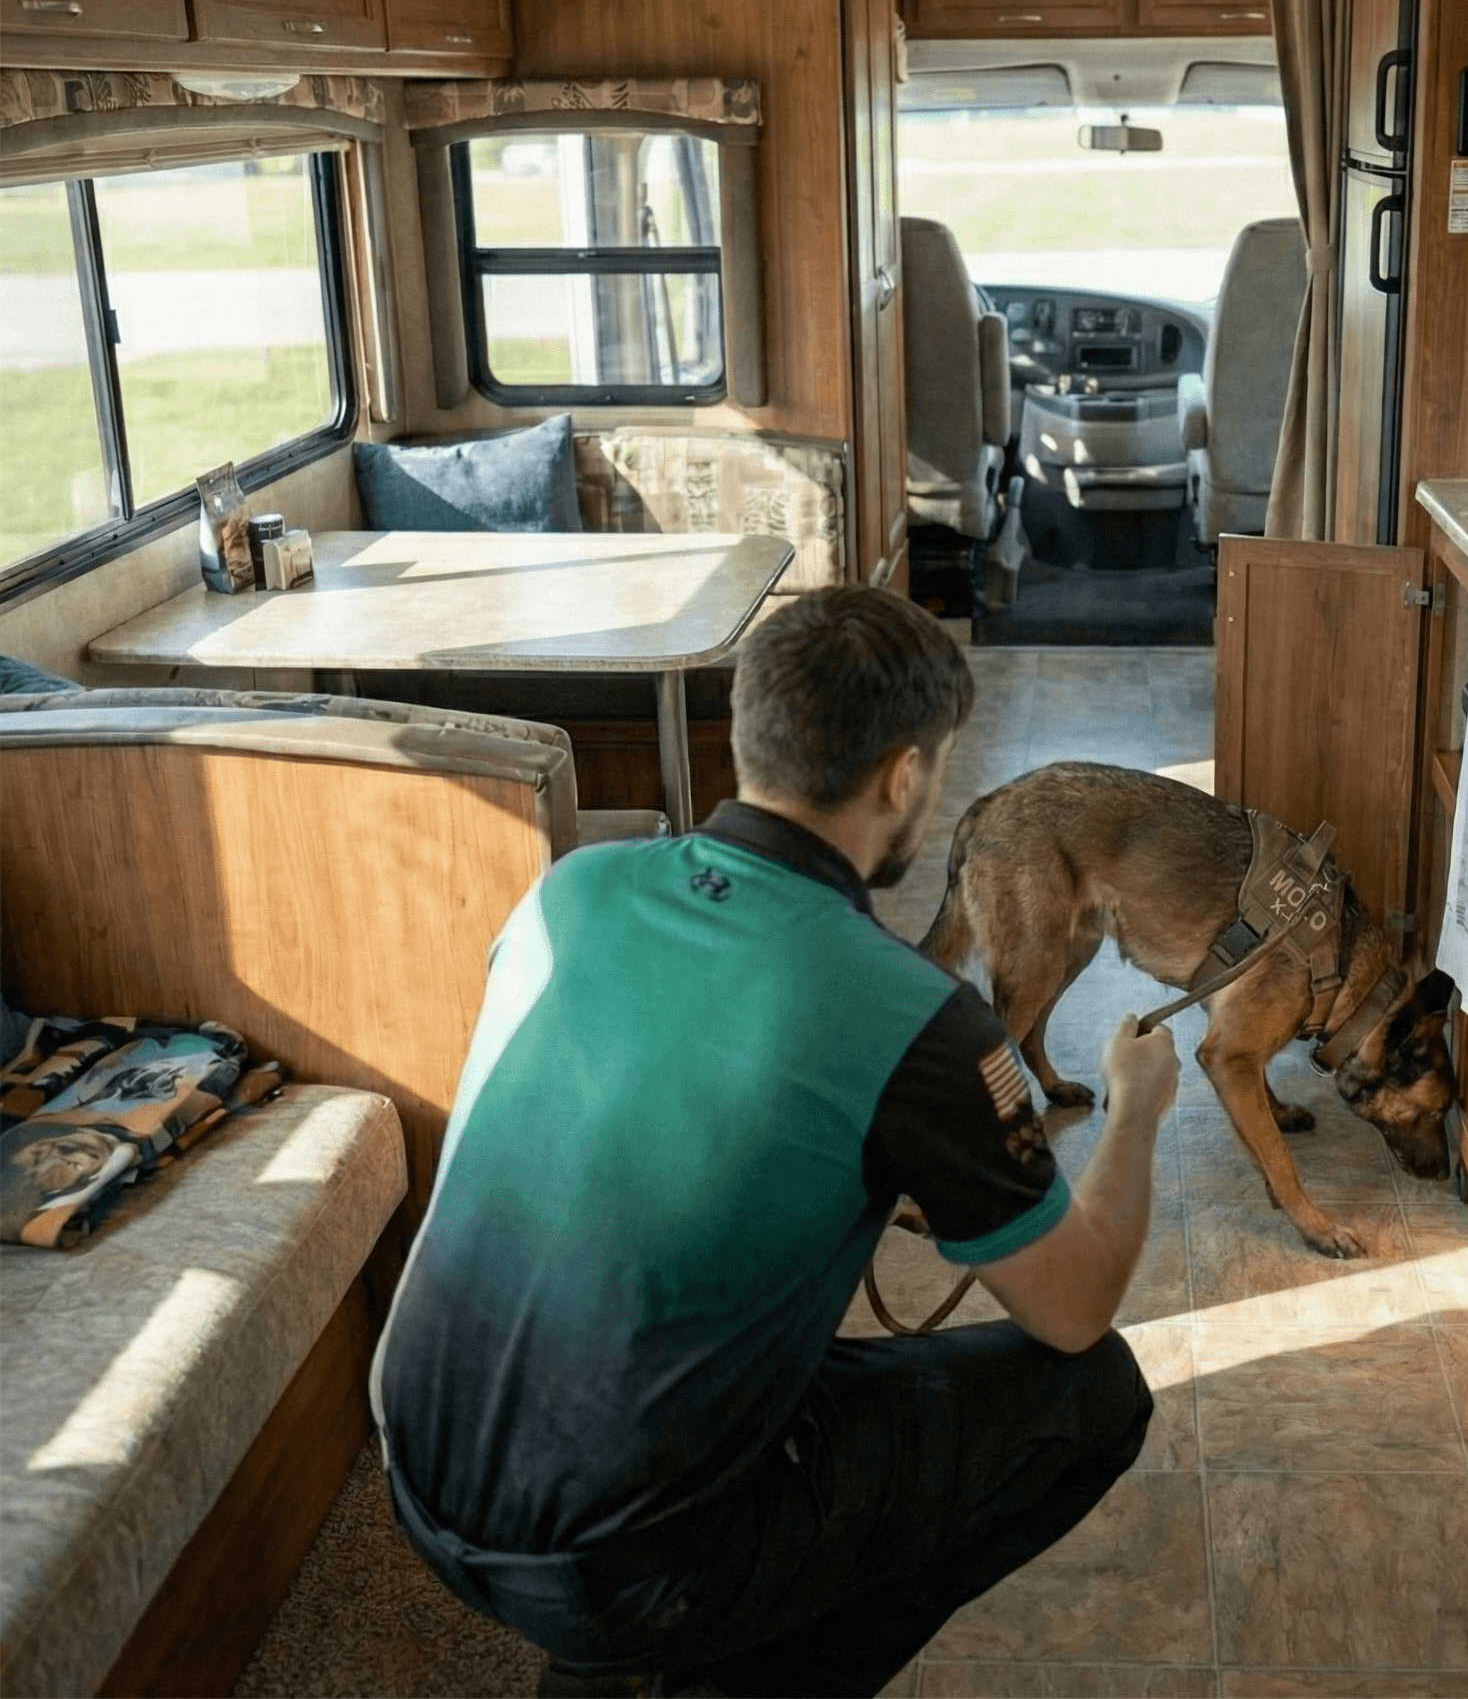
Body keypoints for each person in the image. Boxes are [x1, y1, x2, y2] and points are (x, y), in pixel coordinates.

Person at [371, 586, 1180, 1698]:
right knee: (1093, 1399)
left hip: (414, 1469)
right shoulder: (914, 1019)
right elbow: (1072, 1307)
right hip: (606, 1566)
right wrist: (1132, 1110)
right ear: (903, 777)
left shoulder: (571, 888)